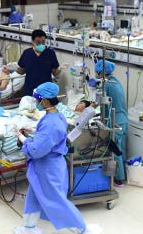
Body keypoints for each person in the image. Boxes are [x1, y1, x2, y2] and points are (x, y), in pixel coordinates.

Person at [13, 82, 97, 234]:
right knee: (34, 196)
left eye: (37, 100)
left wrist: (21, 137)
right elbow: (48, 137)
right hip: (45, 167)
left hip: (48, 169)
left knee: (57, 201)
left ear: (44, 101)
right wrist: (32, 131)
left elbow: (37, 149)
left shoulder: (51, 123)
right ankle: (29, 228)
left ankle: (82, 229)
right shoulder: (57, 115)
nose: (36, 103)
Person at [95, 60, 128, 187]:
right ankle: (123, 175)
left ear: (100, 72)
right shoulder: (116, 81)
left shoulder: (106, 85)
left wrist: (87, 108)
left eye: (97, 72)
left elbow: (97, 102)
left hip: (115, 122)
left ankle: (118, 179)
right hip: (123, 119)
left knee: (115, 149)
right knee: (121, 149)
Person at [17, 30, 61, 96]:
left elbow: (55, 73)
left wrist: (60, 69)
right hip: (30, 89)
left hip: (46, 89)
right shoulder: (27, 53)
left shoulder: (50, 53)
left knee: (45, 105)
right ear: (32, 41)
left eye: (43, 42)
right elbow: (22, 71)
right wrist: (15, 68)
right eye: (38, 42)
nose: (41, 44)